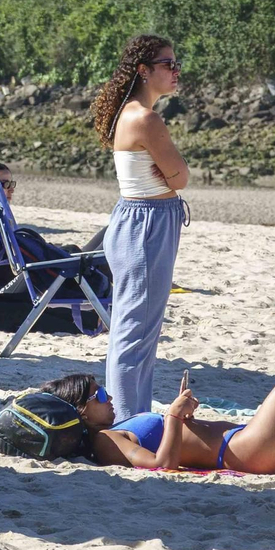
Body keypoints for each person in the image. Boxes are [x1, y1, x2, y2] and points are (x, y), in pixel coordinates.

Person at [41, 351, 275, 479]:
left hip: (245, 444)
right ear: (82, 412)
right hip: (245, 452)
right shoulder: (104, 441)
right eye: (99, 395)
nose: (109, 396)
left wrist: (178, 420)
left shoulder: (114, 430)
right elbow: (161, 464)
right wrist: (173, 418)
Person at [90, 35, 189, 422]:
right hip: (147, 222)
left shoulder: (132, 114)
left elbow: (173, 176)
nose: (176, 71)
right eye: (168, 64)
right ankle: (128, 422)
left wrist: (169, 174)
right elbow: (180, 177)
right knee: (135, 333)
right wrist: (172, 174)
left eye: (176, 63)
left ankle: (130, 416)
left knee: (135, 330)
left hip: (141, 220)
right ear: (144, 71)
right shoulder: (145, 118)